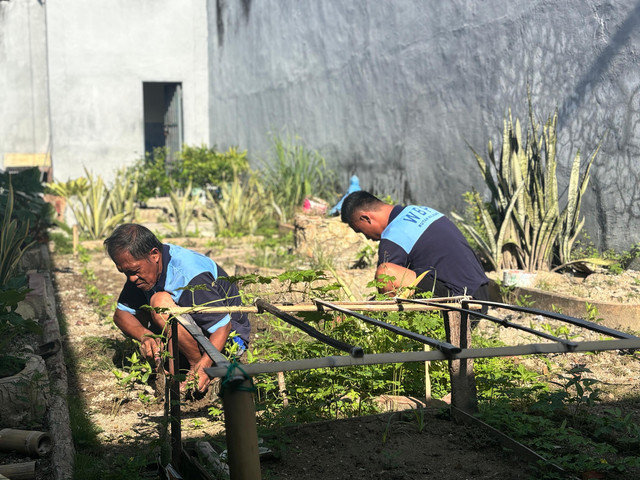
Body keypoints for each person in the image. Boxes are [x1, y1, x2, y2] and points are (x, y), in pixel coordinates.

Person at [103, 223, 250, 394]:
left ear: (154, 255)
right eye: (125, 273)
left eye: (135, 271)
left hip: (228, 340)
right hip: (197, 331)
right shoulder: (142, 272)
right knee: (150, 307)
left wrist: (203, 366)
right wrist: (146, 337)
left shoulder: (189, 274)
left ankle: (198, 370)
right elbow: (121, 315)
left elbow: (223, 327)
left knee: (159, 302)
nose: (132, 278)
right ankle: (181, 369)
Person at [340, 191, 489, 305]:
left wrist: (362, 315)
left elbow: (386, 291)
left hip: (462, 303)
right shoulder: (420, 210)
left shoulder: (394, 235)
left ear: (366, 218)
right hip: (481, 292)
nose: (367, 238)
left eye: (361, 231)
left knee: (386, 273)